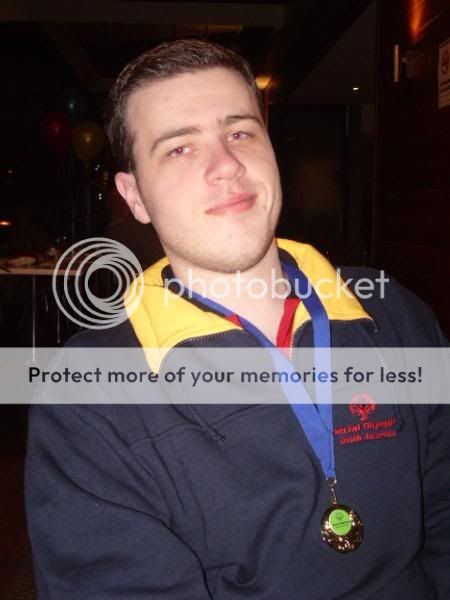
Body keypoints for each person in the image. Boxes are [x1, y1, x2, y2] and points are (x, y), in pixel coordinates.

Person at [25, 39, 449, 599]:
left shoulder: (394, 312)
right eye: (179, 148)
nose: (225, 164)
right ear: (135, 196)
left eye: (241, 133)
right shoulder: (87, 397)